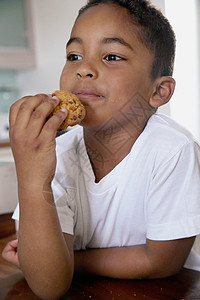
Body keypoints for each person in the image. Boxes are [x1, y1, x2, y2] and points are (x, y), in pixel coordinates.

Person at [2, 0, 200, 299]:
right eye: (74, 55)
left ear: (158, 91)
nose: (83, 69)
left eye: (111, 56)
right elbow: (48, 286)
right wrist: (31, 178)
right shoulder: (55, 154)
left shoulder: (172, 149)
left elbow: (160, 262)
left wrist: (69, 262)